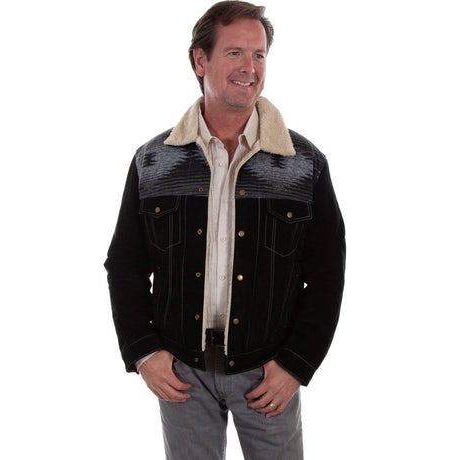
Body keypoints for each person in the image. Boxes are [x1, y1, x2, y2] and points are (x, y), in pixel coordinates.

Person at [104, 1, 345, 458]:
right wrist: (144, 351)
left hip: (268, 375)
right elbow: (125, 265)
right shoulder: (153, 162)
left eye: (259, 55)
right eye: (235, 53)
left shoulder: (303, 165)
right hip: (181, 375)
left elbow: (328, 275)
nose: (250, 68)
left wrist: (296, 364)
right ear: (200, 60)